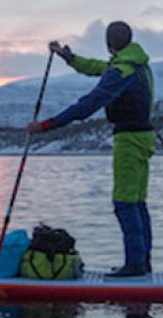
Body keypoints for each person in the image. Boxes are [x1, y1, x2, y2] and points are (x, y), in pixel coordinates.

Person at [27, 21, 156, 278]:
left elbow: (88, 105)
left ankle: (135, 265)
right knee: (138, 202)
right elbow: (93, 68)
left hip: (129, 141)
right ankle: (143, 261)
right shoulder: (139, 65)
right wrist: (67, 56)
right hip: (144, 139)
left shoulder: (120, 72)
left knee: (125, 202)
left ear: (110, 45)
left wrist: (46, 126)